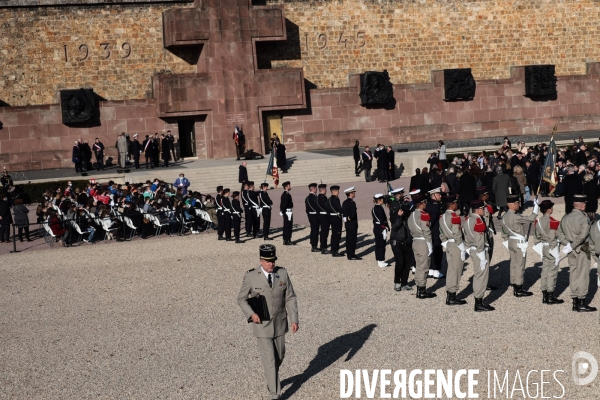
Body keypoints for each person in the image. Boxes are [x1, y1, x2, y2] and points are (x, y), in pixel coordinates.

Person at [237, 244, 299, 400]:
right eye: (267, 261)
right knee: (269, 360)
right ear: (260, 261)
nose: (271, 264)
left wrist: (294, 319)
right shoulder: (251, 276)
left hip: (280, 323)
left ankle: (272, 381)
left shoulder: (282, 274)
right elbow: (241, 299)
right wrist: (251, 314)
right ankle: (275, 393)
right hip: (262, 325)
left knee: (280, 355)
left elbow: (290, 297)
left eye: (273, 261)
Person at [558, 194, 597, 312]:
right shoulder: (584, 218)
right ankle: (581, 301)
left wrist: (568, 245)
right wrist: (573, 245)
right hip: (582, 249)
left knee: (573, 273)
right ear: (583, 205)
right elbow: (583, 235)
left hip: (571, 249)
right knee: (583, 275)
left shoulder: (565, 217)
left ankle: (575, 300)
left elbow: (559, 233)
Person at [500, 194, 539, 297]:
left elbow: (504, 231)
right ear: (513, 204)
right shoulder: (516, 217)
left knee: (513, 263)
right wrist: (536, 208)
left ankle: (513, 281)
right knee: (520, 265)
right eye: (517, 203)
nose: (519, 204)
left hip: (511, 241)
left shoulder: (505, 216)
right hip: (519, 243)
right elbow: (531, 218)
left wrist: (505, 240)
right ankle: (519, 287)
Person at [464, 200, 495, 311]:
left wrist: (468, 249)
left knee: (478, 275)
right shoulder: (478, 221)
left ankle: (479, 301)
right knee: (481, 277)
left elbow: (466, 237)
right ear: (478, 209)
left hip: (473, 250)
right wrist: (482, 257)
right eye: (482, 208)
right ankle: (479, 302)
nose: (484, 210)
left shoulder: (468, 220)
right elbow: (480, 240)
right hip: (480, 251)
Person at [533, 200, 563, 304]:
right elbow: (554, 236)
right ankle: (550, 295)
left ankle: (545, 293)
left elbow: (536, 236)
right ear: (549, 209)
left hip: (544, 247)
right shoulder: (552, 221)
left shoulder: (539, 221)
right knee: (552, 271)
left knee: (545, 270)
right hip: (552, 247)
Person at [408, 192, 436, 298]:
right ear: (421, 203)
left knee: (419, 266)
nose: (426, 204)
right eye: (425, 202)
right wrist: (429, 244)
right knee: (424, 267)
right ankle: (422, 290)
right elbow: (426, 230)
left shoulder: (412, 215)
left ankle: (419, 287)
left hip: (415, 241)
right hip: (423, 241)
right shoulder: (423, 215)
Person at [439, 195, 466, 304]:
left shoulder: (442, 217)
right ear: (452, 204)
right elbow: (457, 234)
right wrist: (462, 248)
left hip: (449, 244)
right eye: (456, 203)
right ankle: (452, 296)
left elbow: (441, 233)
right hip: (455, 245)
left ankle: (449, 292)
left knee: (451, 270)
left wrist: (445, 243)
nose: (457, 205)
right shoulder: (454, 217)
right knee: (456, 270)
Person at [390, 200, 412, 291]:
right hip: (397, 242)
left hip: (407, 242)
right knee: (400, 262)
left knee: (407, 264)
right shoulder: (394, 217)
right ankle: (397, 282)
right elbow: (395, 227)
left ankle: (404, 283)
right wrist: (399, 217)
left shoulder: (407, 216)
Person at [425, 187, 444, 279]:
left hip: (431, 231)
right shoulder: (436, 205)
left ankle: (431, 270)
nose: (440, 196)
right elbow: (433, 219)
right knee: (437, 251)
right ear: (433, 196)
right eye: (438, 194)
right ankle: (436, 270)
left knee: (431, 250)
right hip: (435, 231)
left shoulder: (428, 204)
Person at [342, 187, 361, 260]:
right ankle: (351, 254)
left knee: (348, 239)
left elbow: (343, 212)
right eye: (353, 193)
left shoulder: (344, 202)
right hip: (352, 223)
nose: (354, 194)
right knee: (352, 240)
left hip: (347, 224)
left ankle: (349, 254)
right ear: (351, 194)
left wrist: (345, 218)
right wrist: (348, 218)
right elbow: (353, 214)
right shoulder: (352, 203)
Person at [372, 193, 389, 267]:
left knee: (378, 244)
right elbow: (382, 219)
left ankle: (379, 259)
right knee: (382, 245)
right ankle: (381, 260)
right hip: (381, 228)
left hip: (376, 227)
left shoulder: (374, 208)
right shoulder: (380, 208)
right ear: (380, 200)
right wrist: (385, 227)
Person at [327, 185, 344, 257]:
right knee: (337, 234)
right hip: (337, 218)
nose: (338, 192)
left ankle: (332, 249)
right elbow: (339, 209)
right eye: (337, 191)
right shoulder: (336, 199)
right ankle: (335, 251)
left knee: (333, 234)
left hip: (331, 217)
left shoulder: (329, 199)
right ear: (335, 191)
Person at [305, 183, 320, 252]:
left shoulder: (311, 197)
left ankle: (314, 244)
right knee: (315, 230)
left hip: (312, 215)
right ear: (313, 189)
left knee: (315, 230)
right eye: (315, 188)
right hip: (314, 216)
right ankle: (314, 246)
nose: (316, 189)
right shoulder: (311, 197)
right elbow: (311, 207)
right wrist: (317, 213)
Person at [316, 183, 330, 253]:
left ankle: (323, 246)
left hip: (322, 216)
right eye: (325, 189)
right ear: (323, 190)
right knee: (324, 232)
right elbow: (326, 207)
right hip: (324, 216)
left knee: (324, 232)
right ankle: (323, 247)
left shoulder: (320, 197)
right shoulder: (321, 198)